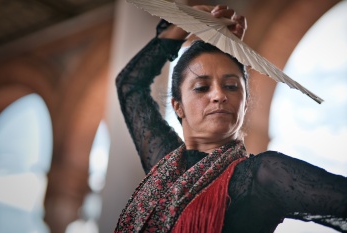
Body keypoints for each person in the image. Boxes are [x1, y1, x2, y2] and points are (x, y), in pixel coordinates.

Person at [114, 4, 347, 233]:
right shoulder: (164, 165)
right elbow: (130, 85)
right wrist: (179, 27)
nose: (219, 95)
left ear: (244, 104)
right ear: (178, 106)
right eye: (202, 87)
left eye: (231, 86)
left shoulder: (262, 176)